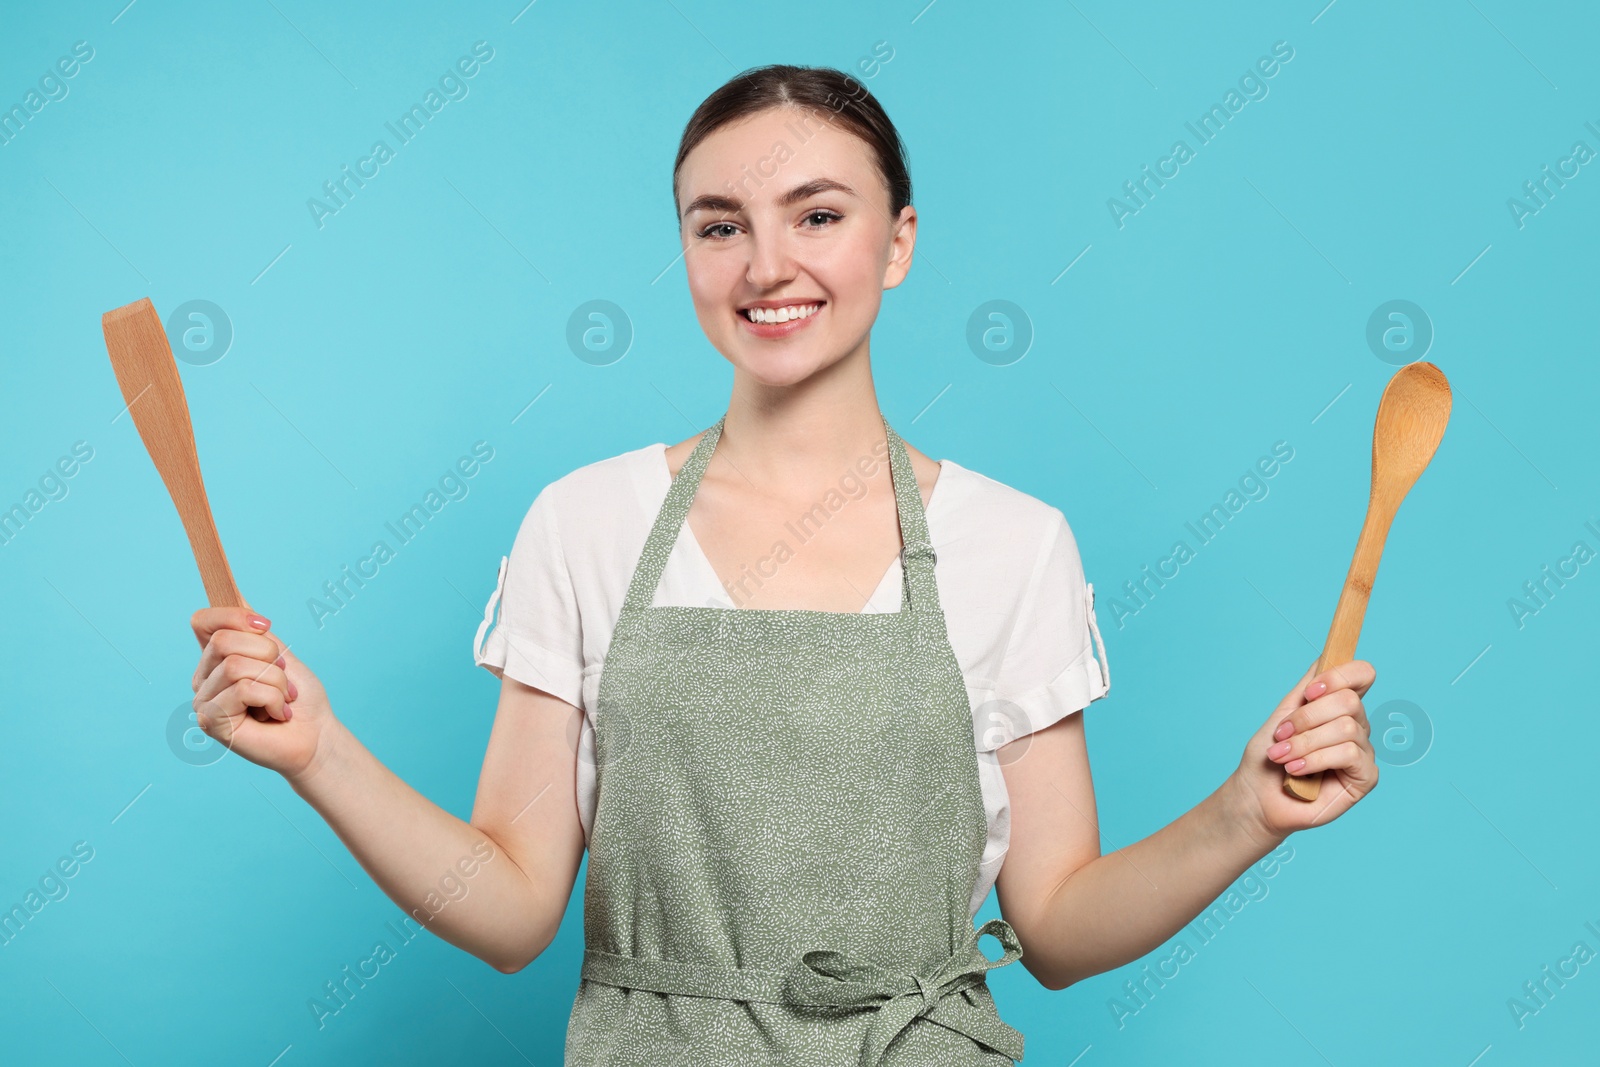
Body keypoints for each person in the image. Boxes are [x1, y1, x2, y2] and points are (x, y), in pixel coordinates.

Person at [188, 64, 1379, 1066]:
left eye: (817, 215)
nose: (766, 265)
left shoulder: (1014, 543)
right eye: (720, 225)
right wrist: (320, 751)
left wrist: (1243, 814)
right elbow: (506, 909)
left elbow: (1057, 926)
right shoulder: (586, 521)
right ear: (688, 252)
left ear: (898, 241)